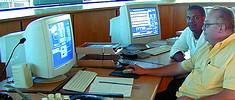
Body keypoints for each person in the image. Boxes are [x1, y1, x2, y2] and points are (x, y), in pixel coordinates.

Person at [126, 6, 235, 99]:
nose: (203, 27)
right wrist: (145, 70)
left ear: (221, 28)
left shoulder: (232, 52)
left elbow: (230, 95)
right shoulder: (208, 45)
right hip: (182, 94)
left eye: (206, 25)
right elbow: (181, 67)